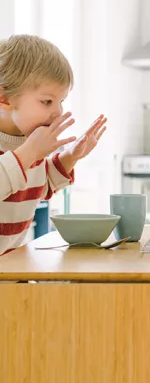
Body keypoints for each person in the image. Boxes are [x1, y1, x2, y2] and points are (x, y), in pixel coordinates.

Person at [0, 35, 107, 255]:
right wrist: (29, 152)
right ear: (5, 98)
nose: (58, 112)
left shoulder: (30, 145)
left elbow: (37, 186)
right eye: (47, 101)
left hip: (12, 274)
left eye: (61, 101)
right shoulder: (28, 149)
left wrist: (71, 157)